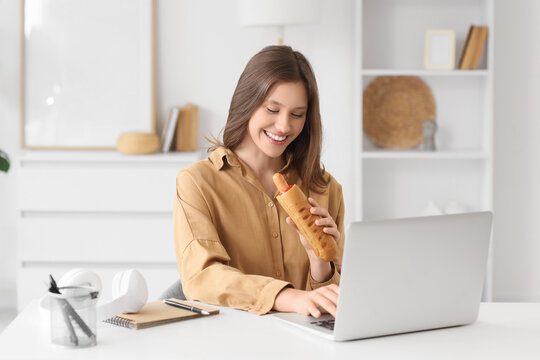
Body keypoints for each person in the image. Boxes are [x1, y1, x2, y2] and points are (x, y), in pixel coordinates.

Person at [173, 45, 345, 318]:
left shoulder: (326, 189)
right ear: (247, 102)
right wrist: (286, 296)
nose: (284, 126)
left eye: (297, 114)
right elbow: (201, 277)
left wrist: (319, 262)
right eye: (272, 109)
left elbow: (333, 302)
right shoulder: (198, 183)